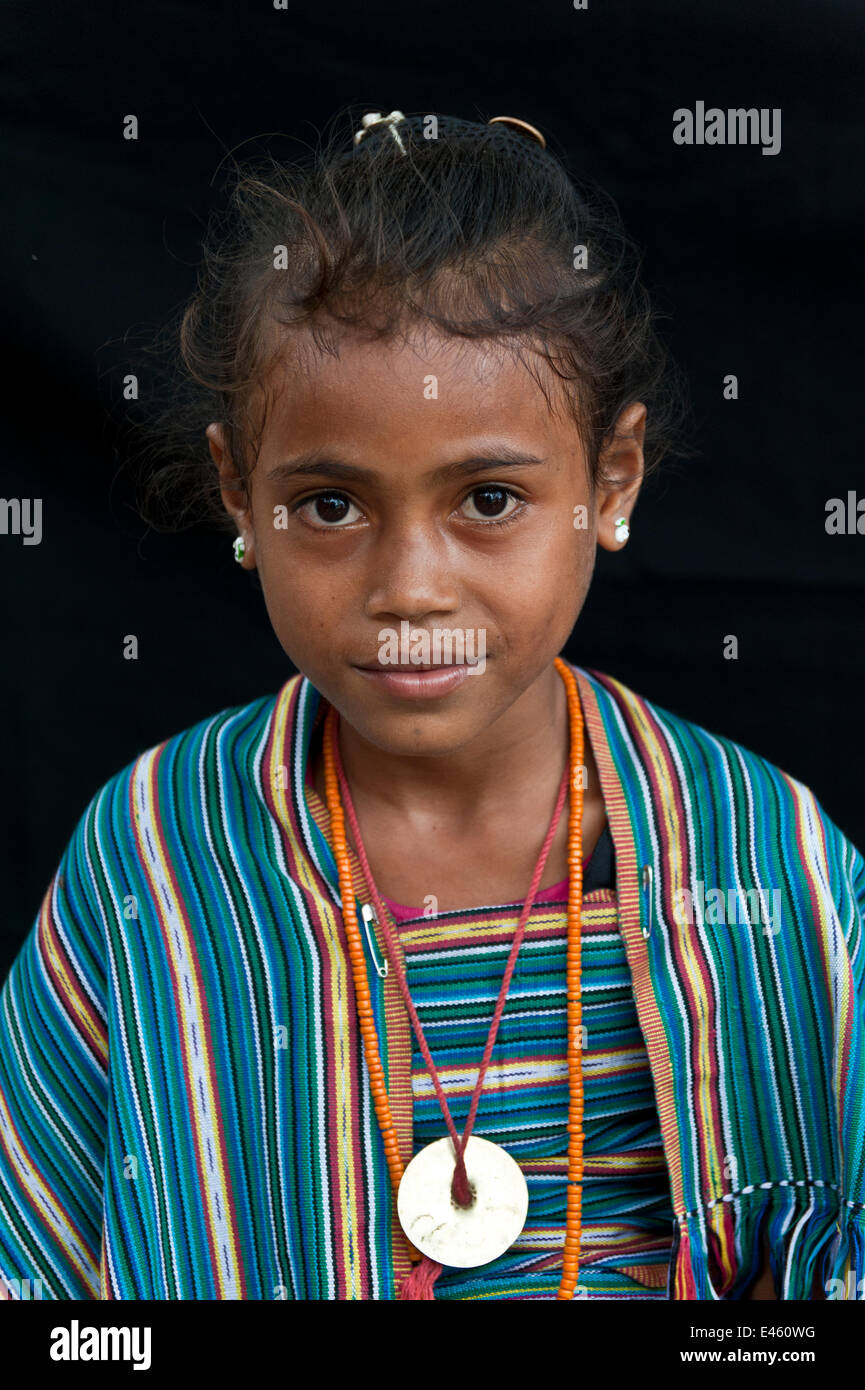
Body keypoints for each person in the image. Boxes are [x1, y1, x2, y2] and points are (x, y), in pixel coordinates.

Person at [1, 109, 862, 1302]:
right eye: (332, 507)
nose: (409, 585)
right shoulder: (152, 859)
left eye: (491, 499)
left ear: (609, 484)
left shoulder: (769, 858)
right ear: (238, 497)